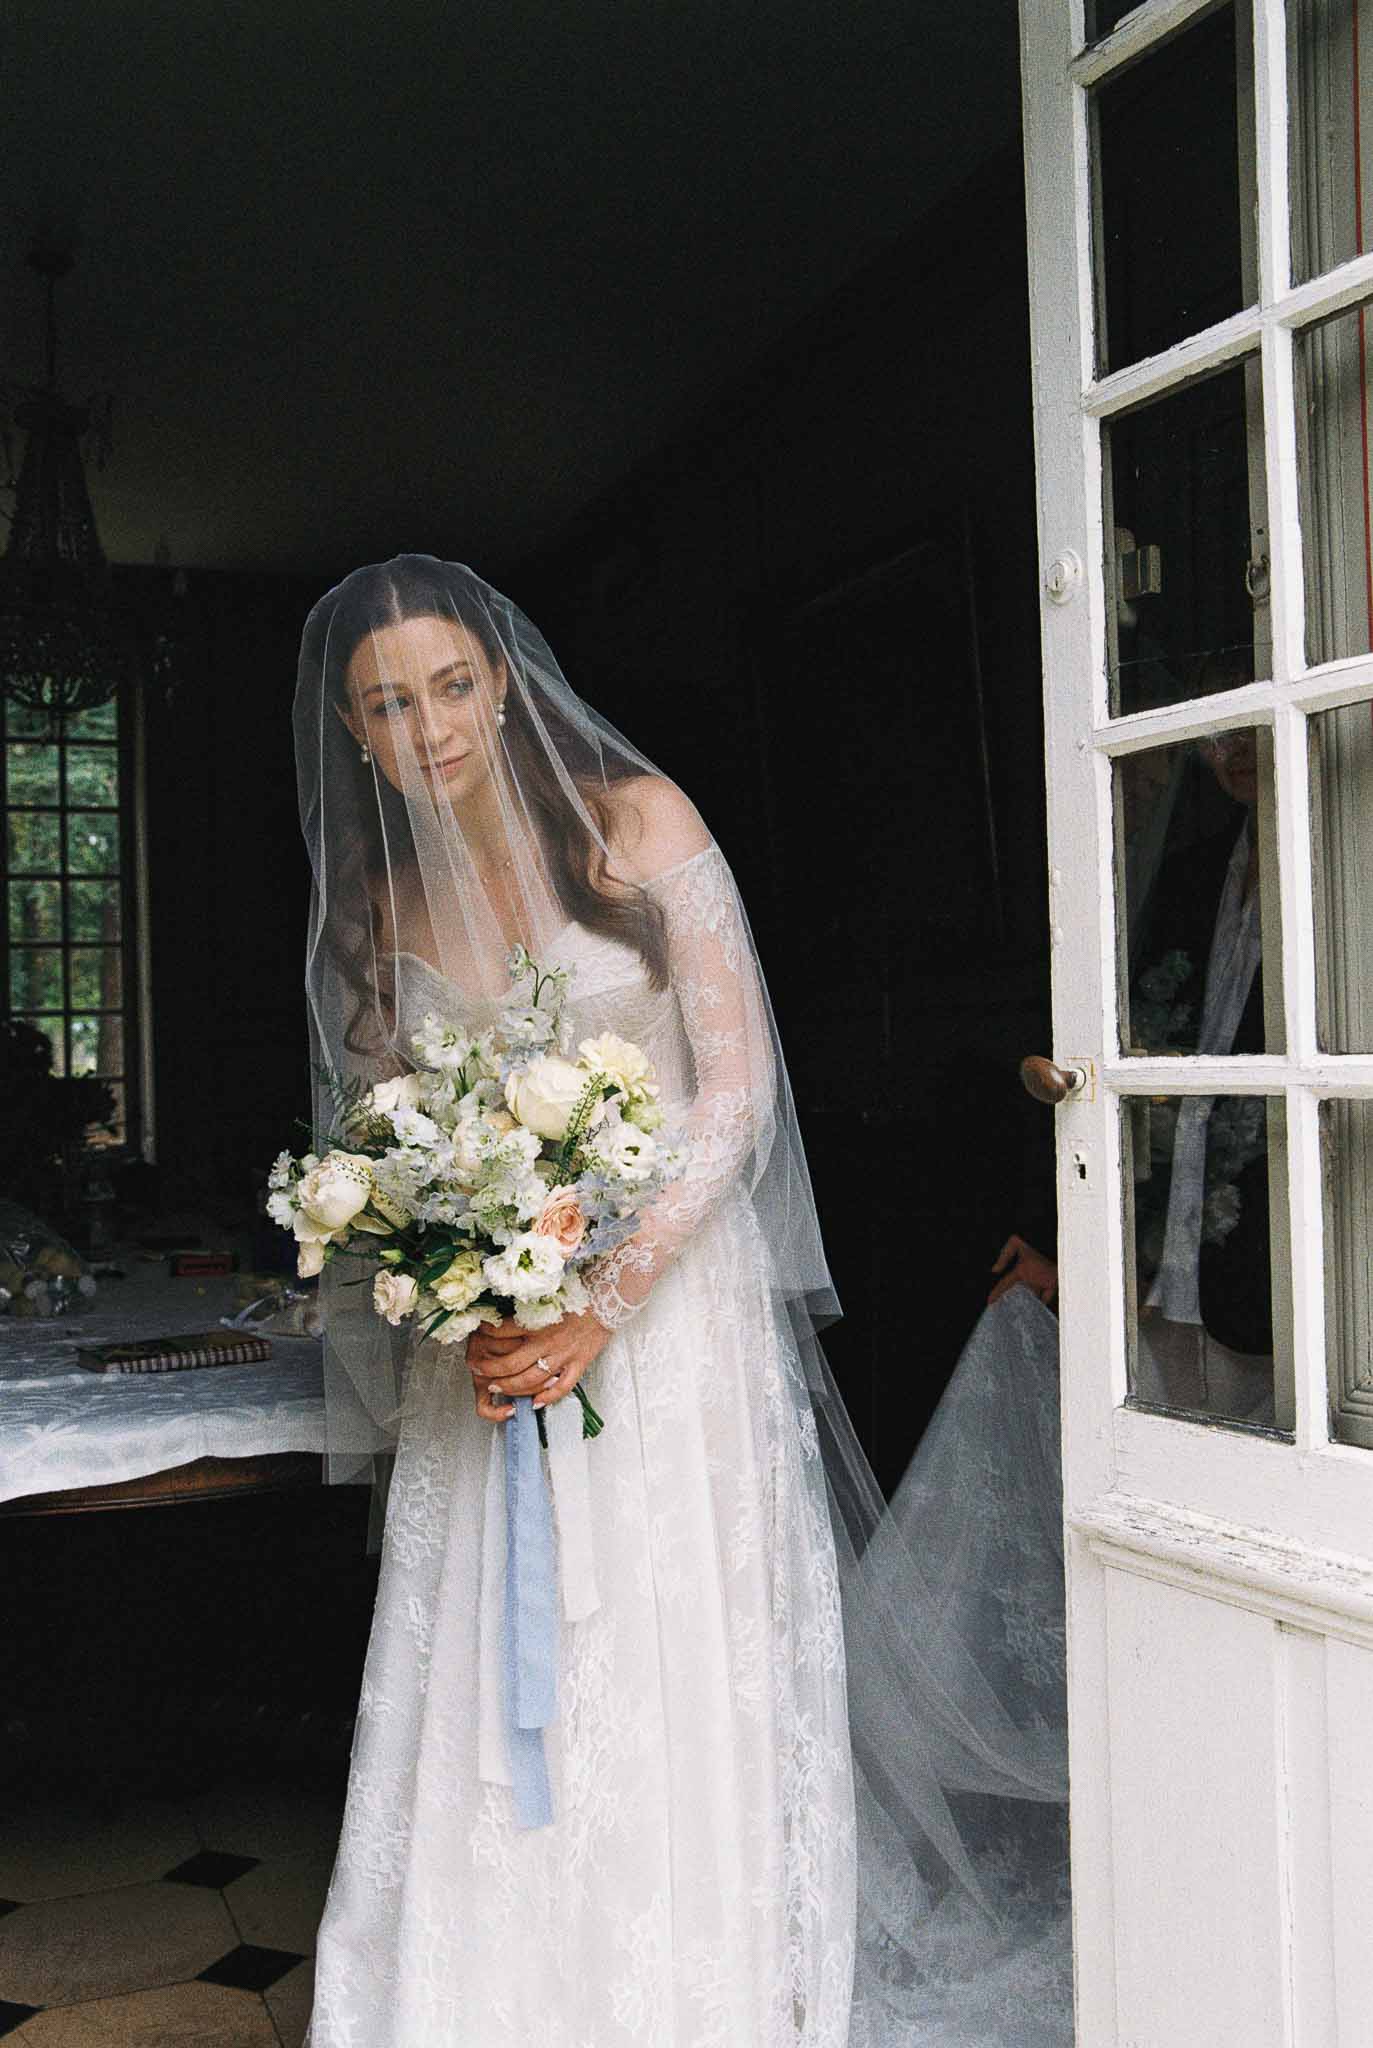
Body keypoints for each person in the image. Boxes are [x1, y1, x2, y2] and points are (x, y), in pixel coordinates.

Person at [294, 555, 1071, 2047]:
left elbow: (735, 1095)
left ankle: (694, 1988)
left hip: (668, 1329)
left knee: (665, 1647)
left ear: (504, 684)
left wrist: (604, 1294)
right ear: (358, 736)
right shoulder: (383, 908)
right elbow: (388, 1144)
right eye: (390, 705)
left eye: (452, 685)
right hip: (503, 1354)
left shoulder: (637, 827)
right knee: (491, 1663)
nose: (432, 724)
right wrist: (466, 1282)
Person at [991, 712, 1275, 1427]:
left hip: (1289, 1256)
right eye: (1218, 731)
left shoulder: (1345, 885)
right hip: (1166, 1258)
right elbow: (1114, 1050)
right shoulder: (1190, 872)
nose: (1233, 750)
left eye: (1251, 727)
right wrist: (1063, 1237)